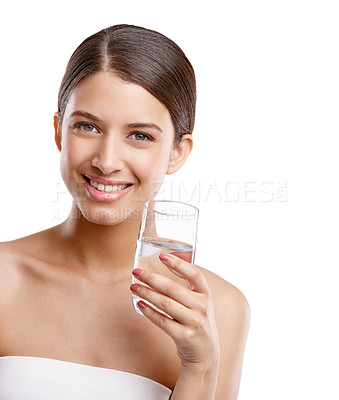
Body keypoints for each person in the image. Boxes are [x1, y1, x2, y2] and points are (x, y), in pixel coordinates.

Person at [0, 24, 250, 399]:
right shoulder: (5, 280)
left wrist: (199, 368)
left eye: (140, 135)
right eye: (87, 126)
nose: (107, 161)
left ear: (178, 152)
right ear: (58, 131)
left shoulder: (218, 311)